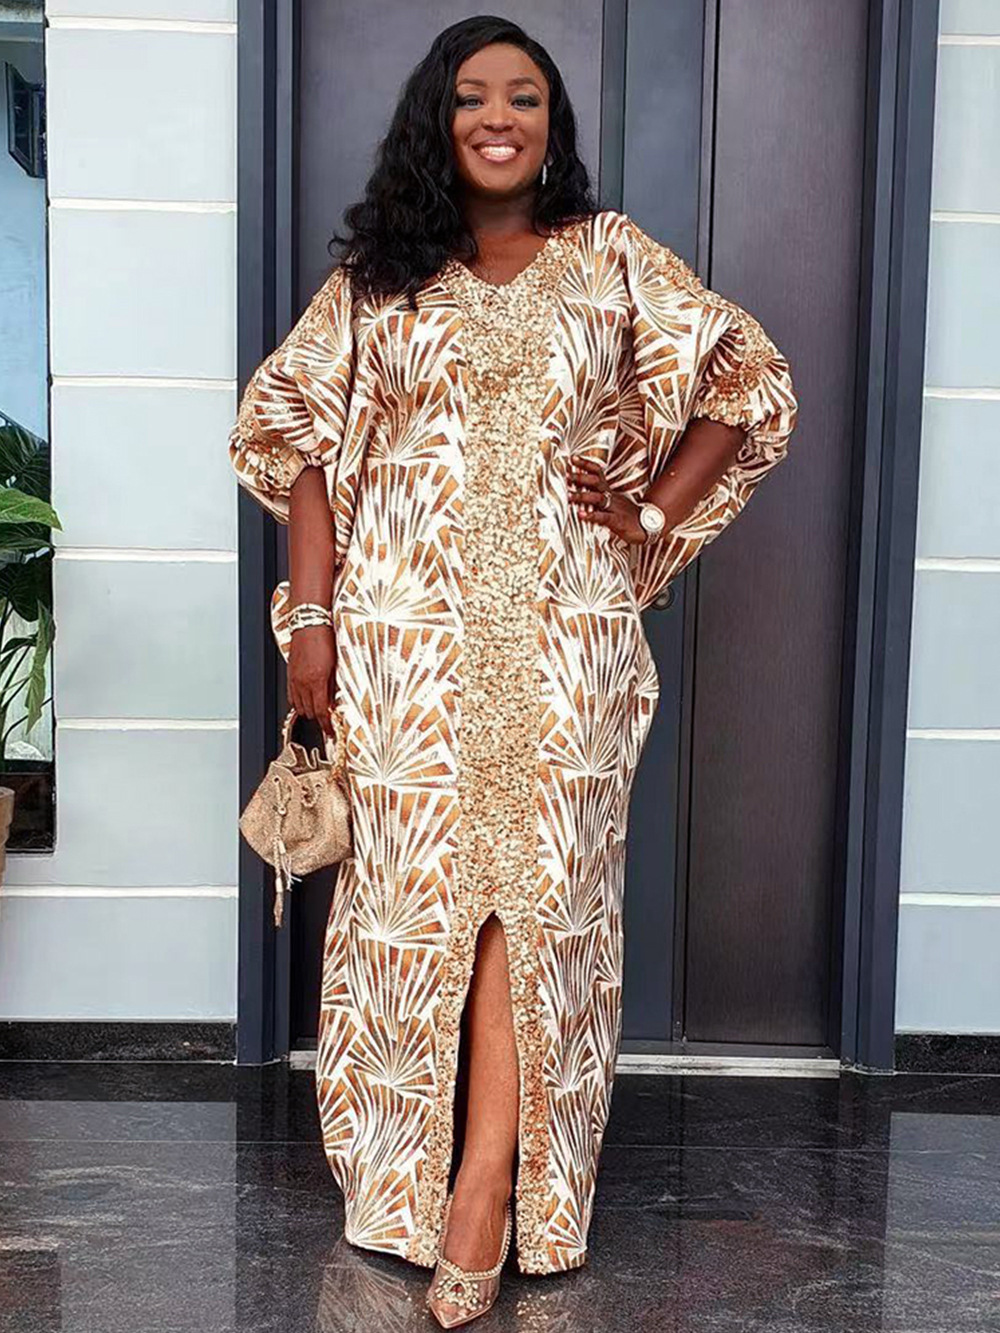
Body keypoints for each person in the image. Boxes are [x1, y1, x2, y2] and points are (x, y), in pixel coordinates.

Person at [229, 14, 798, 1327]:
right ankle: (408, 1184)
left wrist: (648, 516)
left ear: (554, 122)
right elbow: (299, 438)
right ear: (437, 118)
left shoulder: (612, 262)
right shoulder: (378, 281)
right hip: (405, 648)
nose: (500, 117)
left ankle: (488, 1187)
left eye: (525, 97)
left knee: (537, 901)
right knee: (421, 902)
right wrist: (310, 621)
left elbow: (746, 383)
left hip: (564, 643)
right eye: (474, 96)